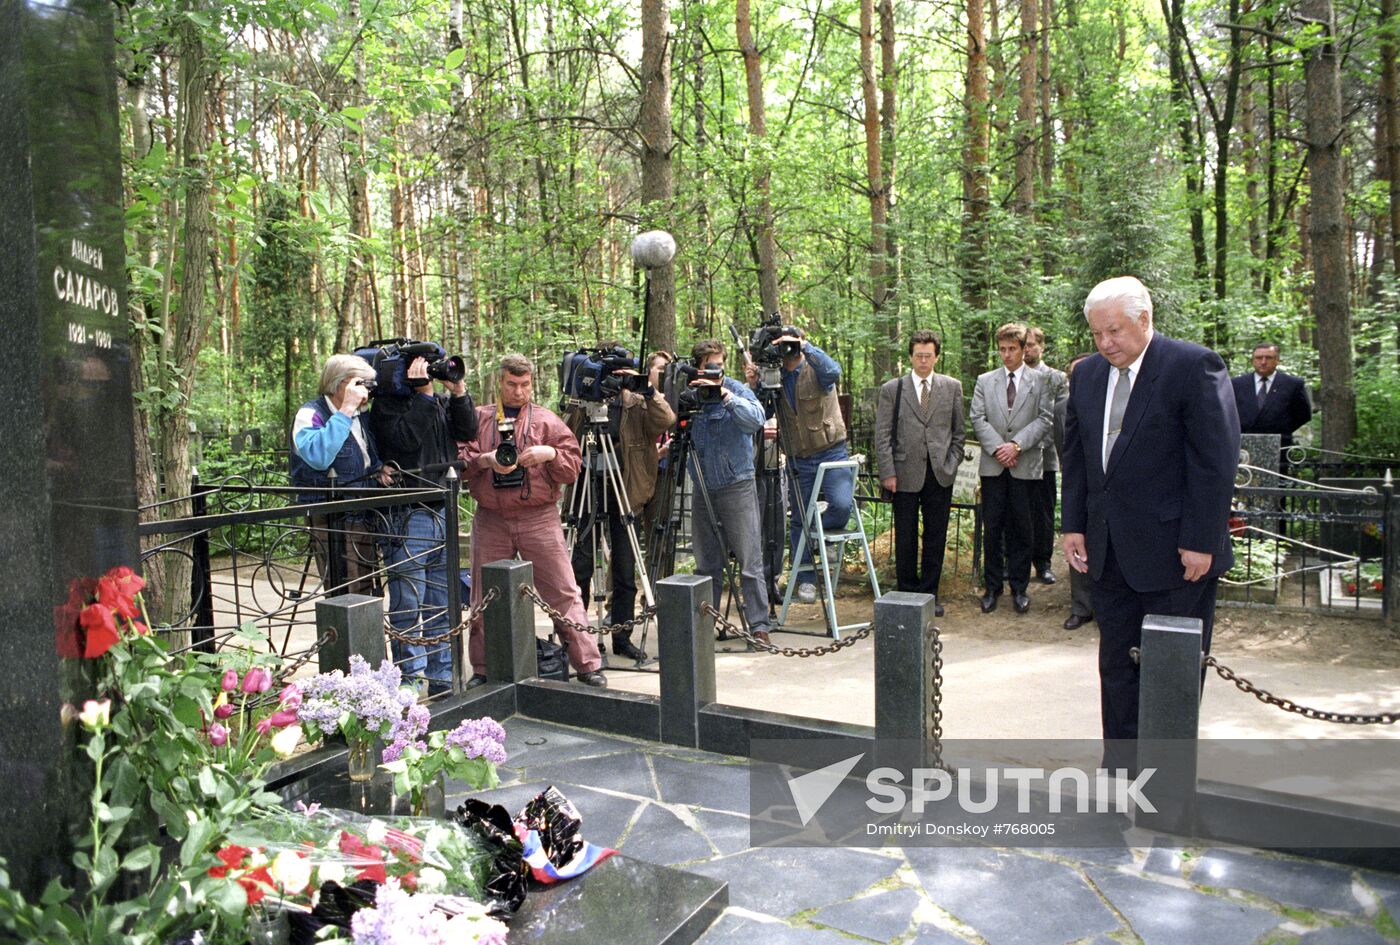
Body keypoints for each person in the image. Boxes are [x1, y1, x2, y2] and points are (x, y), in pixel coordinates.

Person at [1061, 276, 1239, 770]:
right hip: (1108, 550)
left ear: (1145, 319)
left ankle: (1166, 777)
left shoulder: (1191, 366)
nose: (1105, 343)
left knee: (1171, 673)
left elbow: (1214, 460)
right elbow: (1076, 455)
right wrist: (1073, 523)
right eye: (1096, 333)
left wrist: (1201, 540)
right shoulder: (1088, 375)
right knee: (1116, 665)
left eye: (1114, 331)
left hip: (1178, 554)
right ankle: (1119, 769)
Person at [460, 354, 606, 687]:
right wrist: (486, 460)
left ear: (532, 383)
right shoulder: (480, 419)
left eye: (525, 385)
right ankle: (482, 669)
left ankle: (587, 665)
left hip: (539, 518)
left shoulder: (547, 421)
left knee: (563, 592)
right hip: (492, 518)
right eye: (512, 384)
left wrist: (549, 453)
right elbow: (460, 461)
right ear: (500, 382)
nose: (519, 391)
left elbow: (572, 467)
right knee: (483, 595)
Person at [367, 349, 478, 696]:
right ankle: (409, 684)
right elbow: (406, 441)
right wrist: (424, 397)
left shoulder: (437, 402)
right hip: (408, 516)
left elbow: (468, 430)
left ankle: (442, 678)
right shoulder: (386, 407)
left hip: (443, 510)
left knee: (441, 602)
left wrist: (457, 391)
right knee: (408, 604)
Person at [567, 346, 676, 662]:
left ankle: (622, 637)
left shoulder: (638, 403)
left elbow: (667, 419)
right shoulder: (585, 400)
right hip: (587, 487)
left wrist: (646, 389)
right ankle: (579, 638)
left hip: (623, 488)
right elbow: (569, 432)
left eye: (621, 375)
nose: (616, 382)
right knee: (581, 565)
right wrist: (586, 391)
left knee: (625, 569)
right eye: (612, 375)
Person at [874, 330, 965, 617]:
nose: (923, 361)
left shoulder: (951, 387)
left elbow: (959, 434)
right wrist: (888, 472)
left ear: (936, 356)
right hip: (903, 474)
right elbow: (882, 435)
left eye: (928, 355)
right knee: (905, 536)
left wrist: (951, 463)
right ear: (911, 357)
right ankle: (905, 593)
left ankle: (929, 594)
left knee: (936, 536)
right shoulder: (893, 389)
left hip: (939, 473)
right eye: (918, 356)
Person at [687, 339, 773, 644]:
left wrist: (725, 395)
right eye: (709, 366)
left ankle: (759, 624)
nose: (714, 371)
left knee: (750, 561)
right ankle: (705, 624)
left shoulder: (736, 389)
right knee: (706, 563)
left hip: (737, 484)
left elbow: (756, 420)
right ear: (697, 366)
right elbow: (671, 422)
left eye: (719, 366)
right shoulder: (690, 392)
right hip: (703, 486)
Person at [289, 354, 391, 596]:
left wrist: (378, 469)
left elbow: (364, 456)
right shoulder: (310, 414)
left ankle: (366, 634)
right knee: (345, 591)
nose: (366, 392)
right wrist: (345, 410)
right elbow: (318, 455)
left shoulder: (359, 416)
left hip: (362, 512)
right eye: (361, 384)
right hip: (332, 517)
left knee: (366, 589)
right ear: (341, 383)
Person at [970, 323, 1054, 614]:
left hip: (1024, 464)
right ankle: (992, 587)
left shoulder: (1039, 381)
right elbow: (978, 418)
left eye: (1012, 349)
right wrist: (999, 448)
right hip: (994, 466)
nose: (1006, 355)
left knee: (1023, 527)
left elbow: (1045, 419)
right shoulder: (985, 380)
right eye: (1002, 349)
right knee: (992, 527)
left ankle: (1019, 587)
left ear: (1023, 349)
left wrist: (1016, 445)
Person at [772, 328, 854, 604]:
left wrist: (805, 346)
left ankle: (819, 537)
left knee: (842, 506)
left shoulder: (816, 367)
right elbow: (764, 410)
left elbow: (833, 373)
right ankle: (806, 579)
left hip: (832, 450)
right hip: (798, 456)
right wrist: (758, 379)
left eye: (791, 345)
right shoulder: (775, 375)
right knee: (799, 519)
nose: (788, 351)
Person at [1024, 327, 1068, 585]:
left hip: (1045, 457)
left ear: (1042, 346)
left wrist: (1033, 443)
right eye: (1024, 345)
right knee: (1016, 514)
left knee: (1043, 513)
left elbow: (1059, 418)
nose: (1028, 349)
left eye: (1032, 345)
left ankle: (1043, 563)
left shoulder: (1056, 378)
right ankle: (1013, 561)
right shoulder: (1012, 376)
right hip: (1014, 459)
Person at [1056, 353, 1096, 631]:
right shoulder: (1062, 408)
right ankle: (1081, 606)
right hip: (1079, 487)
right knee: (1078, 545)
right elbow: (1064, 450)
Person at [1232, 343, 1312, 446]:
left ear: (1277, 360)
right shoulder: (1237, 384)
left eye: (1268, 358)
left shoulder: (1293, 384)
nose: (1263, 362)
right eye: (1259, 358)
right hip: (1244, 444)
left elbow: (1303, 414)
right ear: (1253, 360)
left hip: (1280, 444)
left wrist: (1282, 428)